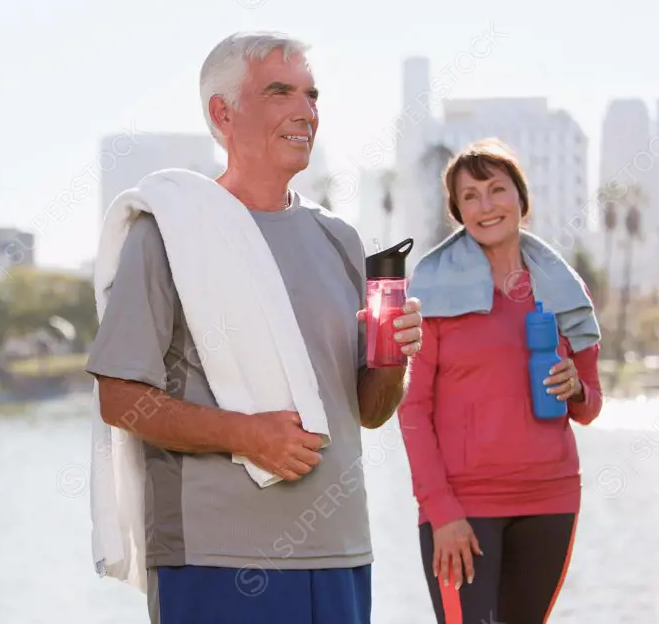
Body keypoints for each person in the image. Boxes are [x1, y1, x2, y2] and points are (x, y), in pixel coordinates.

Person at [85, 31, 424, 624]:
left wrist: (394, 356)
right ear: (223, 113)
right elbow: (120, 398)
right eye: (280, 92)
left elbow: (368, 411)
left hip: (341, 552)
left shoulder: (339, 241)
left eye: (312, 94)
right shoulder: (169, 231)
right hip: (216, 559)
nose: (306, 111)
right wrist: (246, 435)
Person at [399, 138, 604, 624]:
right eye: (470, 196)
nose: (486, 205)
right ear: (458, 212)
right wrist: (441, 511)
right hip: (462, 506)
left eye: (497, 189)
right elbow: (412, 409)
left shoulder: (564, 291)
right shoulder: (431, 295)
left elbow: (590, 408)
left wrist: (575, 387)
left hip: (550, 498)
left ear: (521, 200)